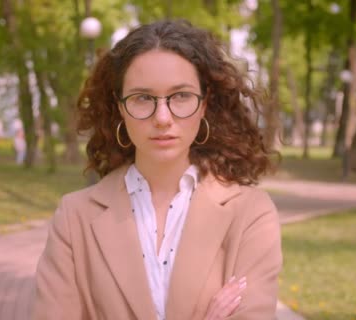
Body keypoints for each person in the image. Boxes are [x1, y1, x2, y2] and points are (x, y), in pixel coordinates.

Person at [32, 20, 282, 320]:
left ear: (204, 104)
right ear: (121, 108)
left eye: (181, 96)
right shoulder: (74, 218)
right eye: (142, 98)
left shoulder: (251, 214)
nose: (162, 117)